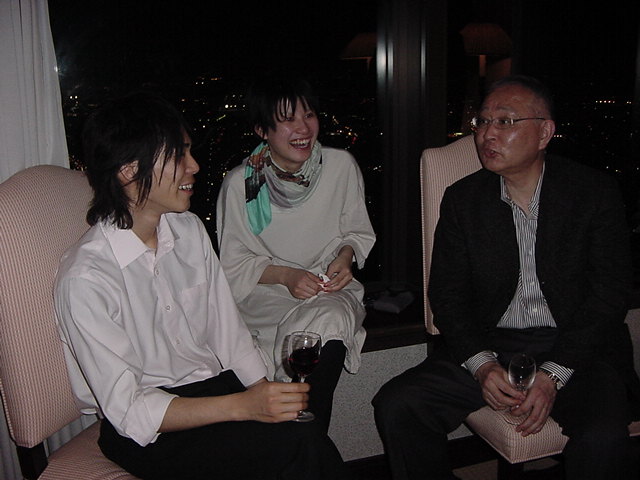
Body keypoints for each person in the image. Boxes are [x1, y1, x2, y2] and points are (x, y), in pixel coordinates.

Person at [54, 91, 351, 480]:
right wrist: (244, 406)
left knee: (301, 430)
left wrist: (263, 394)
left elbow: (229, 334)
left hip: (215, 390)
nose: (193, 166)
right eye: (178, 156)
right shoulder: (87, 277)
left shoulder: (188, 231)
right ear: (128, 171)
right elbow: (128, 410)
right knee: (299, 444)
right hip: (153, 429)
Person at [372, 75, 640, 480]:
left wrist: (553, 373)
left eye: (505, 121)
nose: (487, 134)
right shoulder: (464, 199)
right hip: (493, 342)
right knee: (398, 404)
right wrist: (482, 365)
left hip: (576, 346)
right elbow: (447, 294)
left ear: (544, 132)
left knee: (603, 438)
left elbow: (609, 294)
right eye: (482, 122)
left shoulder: (592, 193)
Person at [216, 75, 376, 432]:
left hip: (326, 290)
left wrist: (345, 257)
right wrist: (286, 276)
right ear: (262, 130)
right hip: (266, 297)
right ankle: (302, 443)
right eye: (288, 119)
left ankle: (309, 434)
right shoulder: (240, 184)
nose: (303, 128)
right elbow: (233, 263)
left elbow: (356, 231)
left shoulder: (340, 166)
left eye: (309, 115)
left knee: (329, 318)